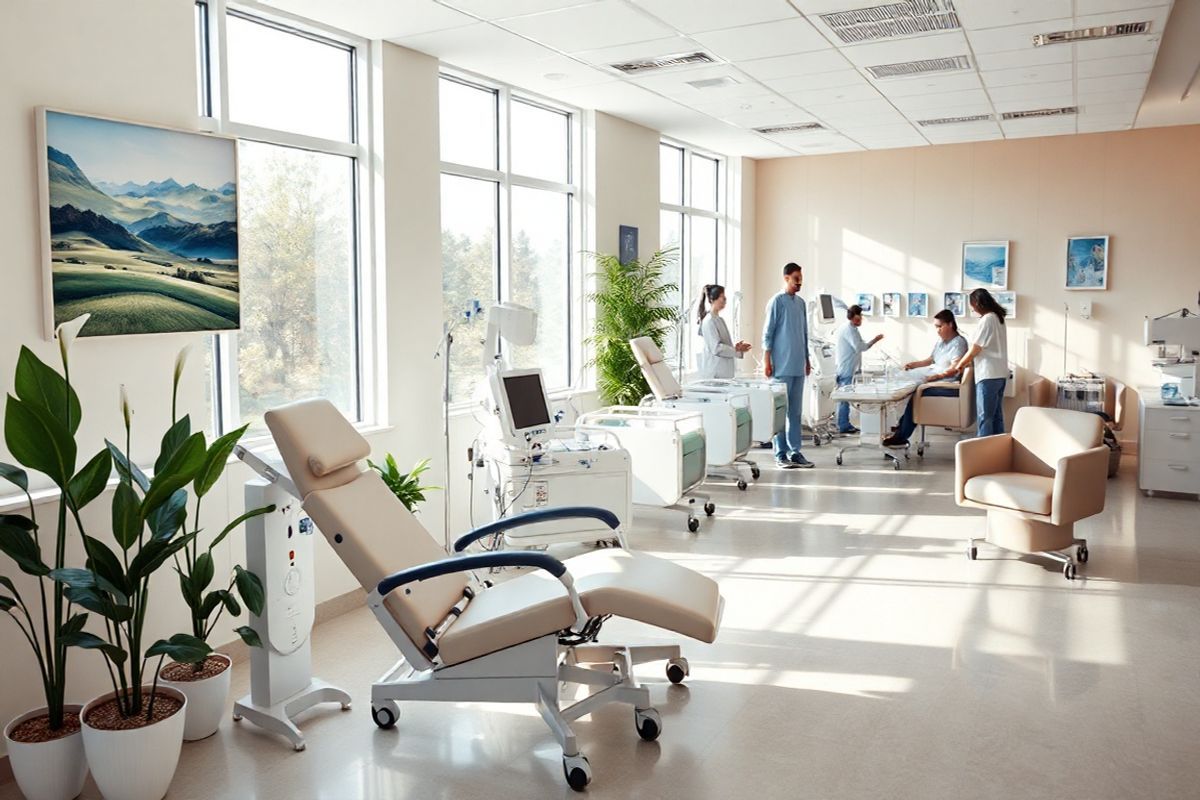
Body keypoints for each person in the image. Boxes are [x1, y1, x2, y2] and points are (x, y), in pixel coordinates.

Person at [882, 309, 968, 447]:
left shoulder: (959, 343)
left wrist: (936, 376)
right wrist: (914, 365)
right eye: (936, 327)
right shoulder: (941, 342)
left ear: (950, 324)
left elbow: (955, 368)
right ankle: (901, 426)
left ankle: (902, 435)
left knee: (917, 392)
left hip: (947, 385)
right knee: (907, 388)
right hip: (935, 380)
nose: (937, 330)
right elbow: (930, 360)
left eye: (940, 326)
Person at [762, 262, 813, 469]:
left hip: (798, 366)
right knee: (780, 413)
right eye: (796, 279)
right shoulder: (777, 302)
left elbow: (804, 334)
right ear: (786, 278)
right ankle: (780, 453)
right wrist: (767, 360)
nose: (799, 282)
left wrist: (807, 360)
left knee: (795, 412)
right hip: (780, 367)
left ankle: (795, 452)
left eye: (801, 279)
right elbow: (768, 333)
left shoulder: (801, 304)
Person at [953, 288, 1009, 436]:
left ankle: (981, 451)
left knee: (985, 417)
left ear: (977, 303)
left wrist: (961, 364)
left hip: (988, 374)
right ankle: (998, 449)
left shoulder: (987, 319)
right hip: (1000, 373)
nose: (972, 308)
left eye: (971, 304)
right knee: (996, 416)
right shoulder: (998, 318)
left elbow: (976, 347)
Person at [834, 304, 883, 434]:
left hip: (850, 367)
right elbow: (860, 347)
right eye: (857, 319)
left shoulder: (852, 329)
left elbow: (860, 346)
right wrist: (874, 340)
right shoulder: (848, 330)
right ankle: (843, 425)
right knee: (844, 398)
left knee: (846, 398)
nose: (859, 321)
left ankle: (844, 423)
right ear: (851, 318)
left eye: (860, 318)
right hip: (846, 369)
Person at [696, 284, 751, 380]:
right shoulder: (709, 321)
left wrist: (736, 348)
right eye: (722, 297)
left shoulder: (719, 320)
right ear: (712, 299)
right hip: (715, 373)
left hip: (724, 372)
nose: (725, 299)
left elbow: (722, 345)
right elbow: (716, 348)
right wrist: (736, 350)